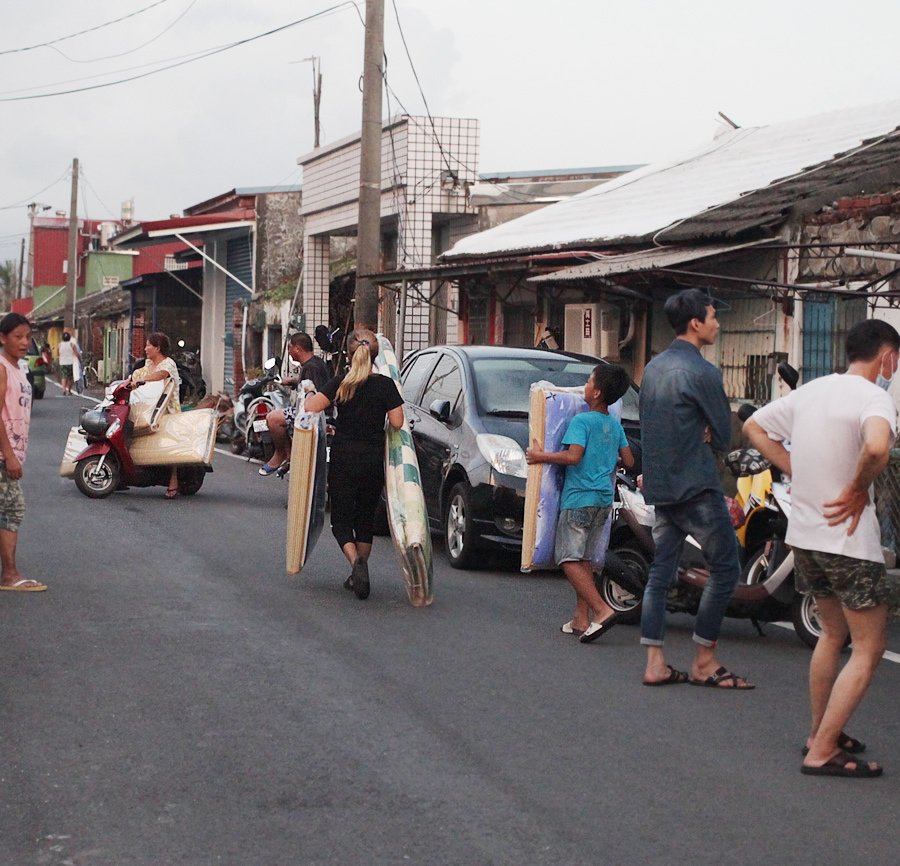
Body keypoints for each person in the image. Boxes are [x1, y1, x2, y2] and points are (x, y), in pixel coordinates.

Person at [745, 319, 899, 778]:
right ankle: (822, 750)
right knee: (869, 648)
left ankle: (820, 732)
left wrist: (796, 467)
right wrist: (856, 488)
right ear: (887, 356)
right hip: (849, 542)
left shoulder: (811, 392)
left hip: (806, 535)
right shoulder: (875, 397)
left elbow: (754, 426)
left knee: (832, 636)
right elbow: (877, 449)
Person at [638, 288, 753, 688]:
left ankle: (656, 662)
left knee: (661, 571)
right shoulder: (704, 372)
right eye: (713, 316)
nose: (718, 323)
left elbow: (651, 426)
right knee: (726, 569)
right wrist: (705, 429)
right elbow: (723, 435)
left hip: (661, 485)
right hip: (696, 485)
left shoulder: (653, 367)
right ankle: (705, 660)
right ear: (696, 323)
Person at [526, 364, 634, 642]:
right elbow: (630, 461)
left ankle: (601, 610)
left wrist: (541, 456)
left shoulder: (581, 421)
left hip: (579, 499)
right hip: (602, 500)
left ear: (596, 392)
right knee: (585, 558)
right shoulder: (613, 423)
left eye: (588, 382)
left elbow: (573, 457)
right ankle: (580, 618)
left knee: (568, 559)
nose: (584, 386)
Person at [304, 328, 404, 600]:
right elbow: (397, 422)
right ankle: (361, 565)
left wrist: (309, 393)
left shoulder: (340, 382)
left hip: (344, 457)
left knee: (341, 521)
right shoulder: (385, 385)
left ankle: (355, 563)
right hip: (373, 458)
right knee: (365, 518)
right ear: (375, 355)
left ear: (349, 354)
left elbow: (312, 408)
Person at [0, 313, 45, 592]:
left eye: (27, 337)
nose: (24, 342)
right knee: (11, 509)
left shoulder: (19, 367)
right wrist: (10, 455)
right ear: (2, 338)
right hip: (3, 455)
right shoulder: (2, 367)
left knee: (7, 510)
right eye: (17, 336)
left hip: (10, 453)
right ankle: (10, 574)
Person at [258, 331, 331, 477]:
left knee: (273, 419)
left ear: (297, 349)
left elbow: (313, 392)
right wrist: (292, 381)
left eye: (290, 347)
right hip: (309, 411)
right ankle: (289, 454)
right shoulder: (314, 363)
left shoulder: (311, 367)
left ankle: (281, 454)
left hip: (313, 414)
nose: (289, 351)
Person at [130, 332, 182, 499]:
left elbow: (160, 376)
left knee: (170, 446)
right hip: (146, 409)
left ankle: (173, 480)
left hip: (167, 411)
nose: (145, 349)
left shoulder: (168, 364)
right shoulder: (146, 365)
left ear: (158, 348)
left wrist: (141, 381)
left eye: (148, 345)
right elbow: (134, 377)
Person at [57, 330, 80, 396]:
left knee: (64, 377)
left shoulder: (60, 345)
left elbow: (58, 353)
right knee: (70, 377)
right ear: (69, 338)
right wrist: (79, 359)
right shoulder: (72, 344)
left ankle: (64, 389)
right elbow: (76, 353)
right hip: (70, 362)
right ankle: (69, 390)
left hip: (62, 363)